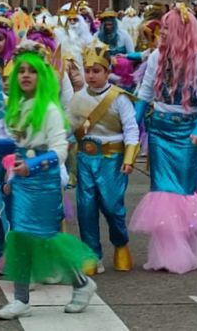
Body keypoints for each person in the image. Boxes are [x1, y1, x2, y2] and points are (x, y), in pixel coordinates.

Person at [0, 41, 97, 321]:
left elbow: (60, 150)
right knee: (20, 238)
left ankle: (82, 283)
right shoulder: (18, 106)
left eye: (32, 71)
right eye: (21, 71)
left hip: (44, 183)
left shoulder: (50, 109)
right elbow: (21, 144)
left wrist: (33, 165)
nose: (26, 75)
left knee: (48, 239)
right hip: (22, 182)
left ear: (43, 75)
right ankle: (21, 300)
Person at [131, 4, 197, 274]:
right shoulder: (157, 58)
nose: (162, 34)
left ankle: (188, 244)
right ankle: (167, 253)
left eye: (167, 29)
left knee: (182, 192)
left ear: (181, 32)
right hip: (160, 131)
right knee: (162, 193)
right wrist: (131, 126)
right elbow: (145, 94)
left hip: (187, 133)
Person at [67, 42, 139, 273]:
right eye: (87, 71)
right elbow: (68, 128)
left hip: (112, 160)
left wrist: (129, 158)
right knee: (86, 207)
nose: (91, 76)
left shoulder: (119, 98)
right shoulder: (78, 98)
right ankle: (91, 254)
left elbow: (131, 129)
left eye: (96, 71)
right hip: (86, 159)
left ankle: (121, 244)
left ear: (108, 72)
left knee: (112, 206)